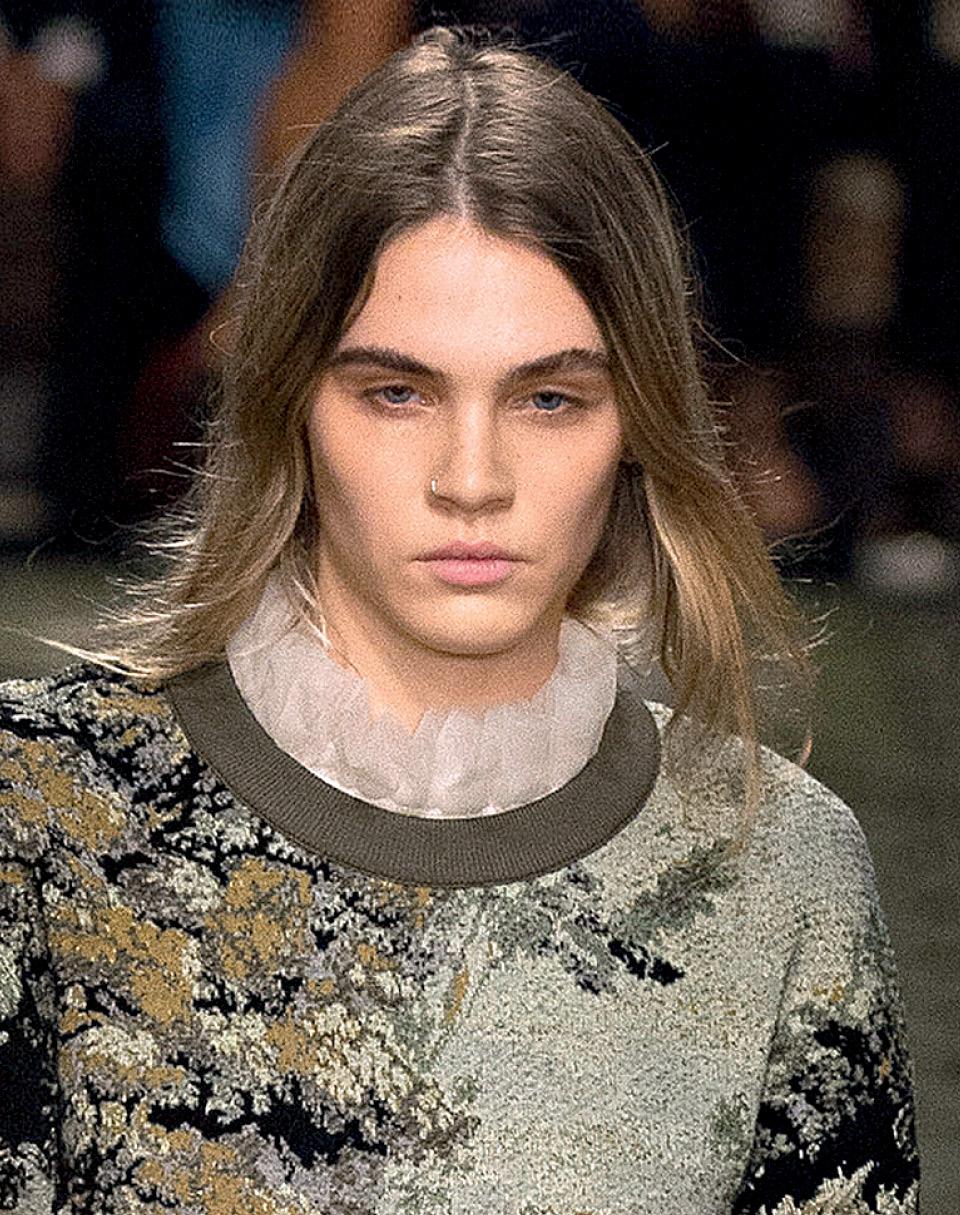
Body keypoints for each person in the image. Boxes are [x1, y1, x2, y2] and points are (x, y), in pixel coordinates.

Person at [0, 24, 920, 1212]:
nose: (471, 479)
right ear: (288, 405)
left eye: (549, 398)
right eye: (397, 392)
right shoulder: (37, 811)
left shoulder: (779, 866)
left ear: (637, 421)